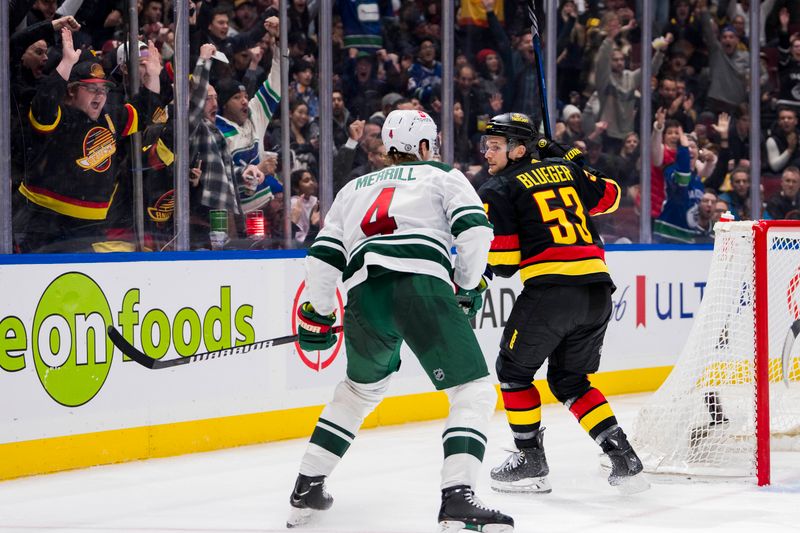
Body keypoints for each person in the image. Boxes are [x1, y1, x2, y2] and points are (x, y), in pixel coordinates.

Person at [287, 110, 514, 532]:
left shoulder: (353, 188)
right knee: (474, 390)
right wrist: (466, 285)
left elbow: (322, 257)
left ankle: (307, 485)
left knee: (358, 392)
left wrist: (319, 312)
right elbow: (475, 231)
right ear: (425, 146)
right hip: (420, 287)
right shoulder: (443, 175)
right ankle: (458, 496)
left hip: (363, 295)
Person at [477, 112, 649, 495]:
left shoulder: (498, 187)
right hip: (597, 290)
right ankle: (624, 458)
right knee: (570, 380)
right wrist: (571, 157)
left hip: (552, 292)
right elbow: (611, 196)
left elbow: (504, 263)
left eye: (494, 146)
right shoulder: (564, 168)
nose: (486, 153)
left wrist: (480, 269)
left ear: (519, 149)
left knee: (514, 372)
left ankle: (530, 462)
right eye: (486, 145)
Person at [13, 29, 162, 253]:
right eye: (91, 89)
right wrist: (67, 63)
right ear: (71, 91)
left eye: (103, 89)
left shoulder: (110, 117)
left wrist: (154, 75)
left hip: (89, 225)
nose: (100, 95)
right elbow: (44, 103)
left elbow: (144, 113)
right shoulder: (59, 115)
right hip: (43, 219)